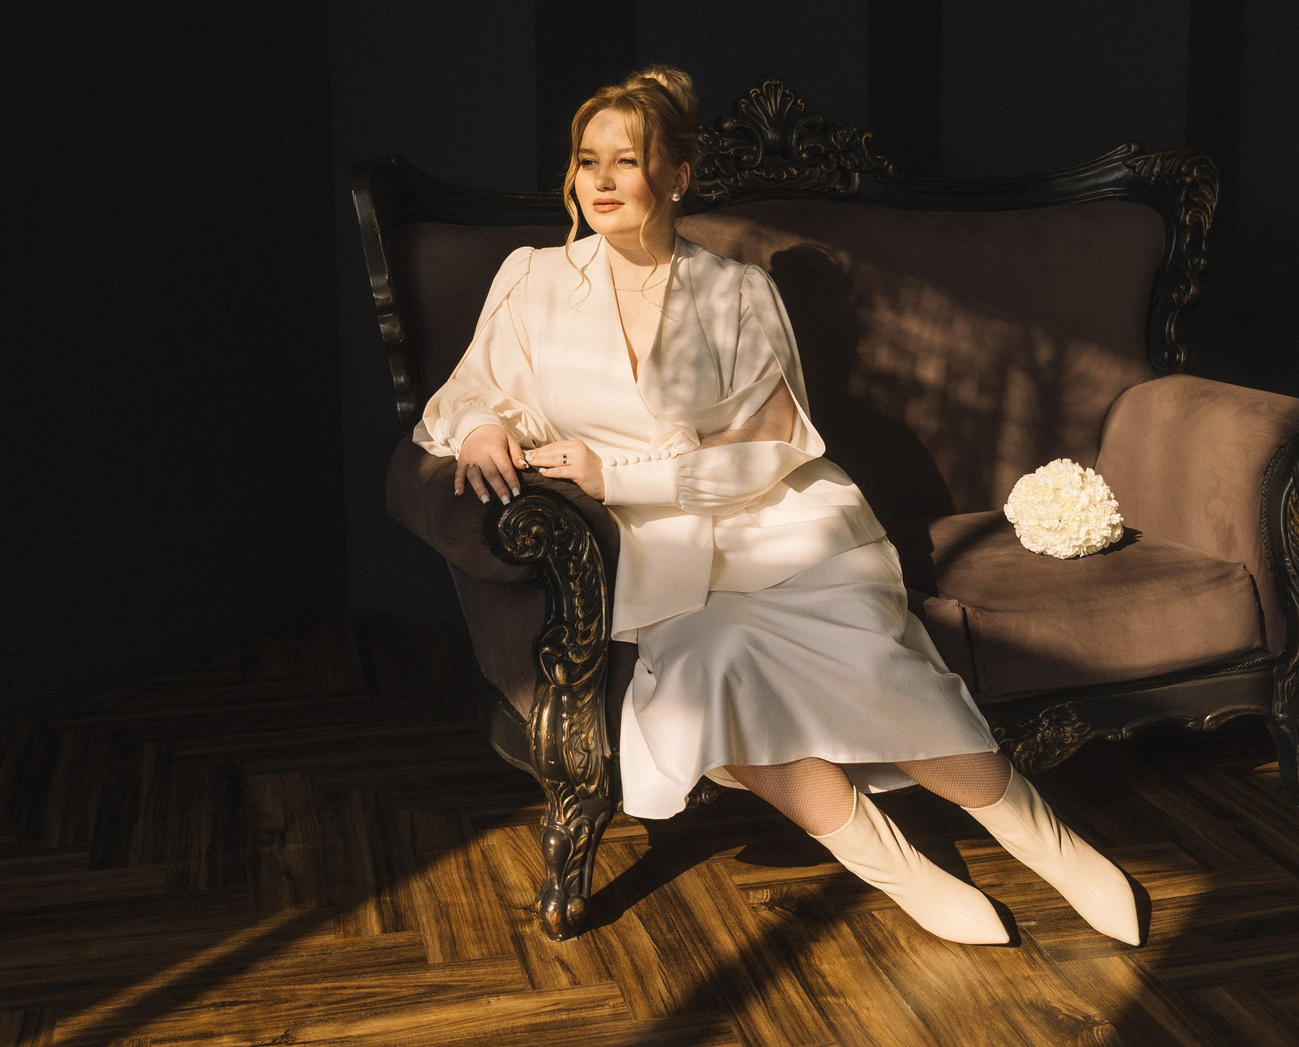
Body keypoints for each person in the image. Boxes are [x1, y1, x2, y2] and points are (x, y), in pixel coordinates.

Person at [414, 66, 1140, 947]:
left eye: (626, 160)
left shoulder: (736, 291)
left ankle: (1055, 849)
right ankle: (900, 870)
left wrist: (621, 477)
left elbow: (769, 449)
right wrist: (482, 428)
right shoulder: (531, 279)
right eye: (586, 160)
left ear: (678, 176)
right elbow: (471, 389)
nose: (599, 180)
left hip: (789, 528)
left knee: (873, 669)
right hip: (660, 561)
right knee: (709, 671)